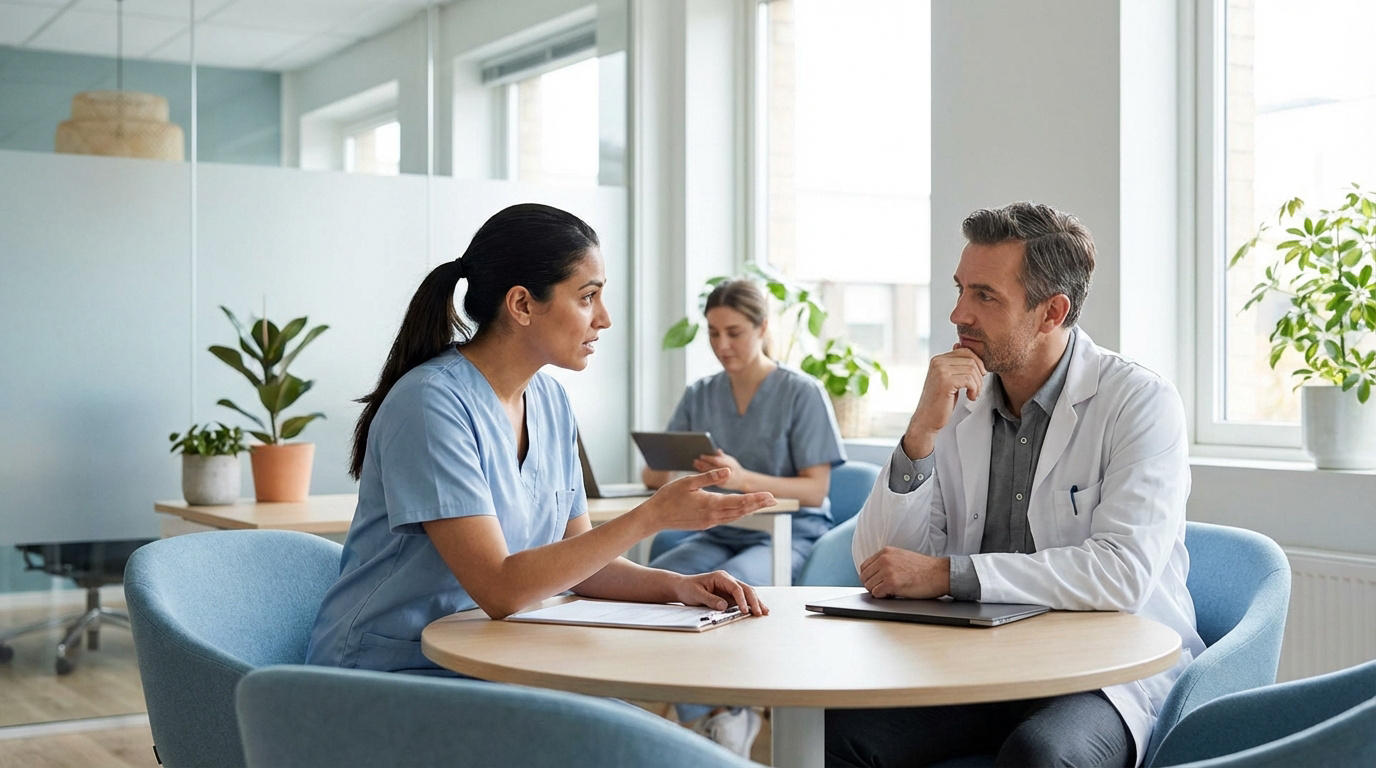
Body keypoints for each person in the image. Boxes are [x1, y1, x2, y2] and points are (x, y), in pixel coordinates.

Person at [306, 203, 775, 680]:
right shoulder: (430, 404)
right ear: (522, 305)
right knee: (610, 717)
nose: (604, 318)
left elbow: (583, 562)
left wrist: (677, 586)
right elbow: (499, 588)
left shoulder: (550, 401)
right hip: (386, 672)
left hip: (489, 659)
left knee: (617, 709)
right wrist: (650, 516)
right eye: (588, 297)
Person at [826, 202, 1205, 768]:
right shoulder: (956, 401)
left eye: (985, 296)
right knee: (834, 735)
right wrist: (920, 433)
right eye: (960, 289)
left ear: (1052, 312)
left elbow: (1120, 573)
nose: (958, 313)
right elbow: (881, 563)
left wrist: (949, 574)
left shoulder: (1139, 402)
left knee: (1040, 756)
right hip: (975, 665)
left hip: (1096, 672)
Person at [642, 278, 846, 750]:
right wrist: (669, 467)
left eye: (733, 332)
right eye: (713, 333)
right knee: (656, 586)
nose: (722, 345)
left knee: (724, 592)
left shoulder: (802, 392)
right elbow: (654, 473)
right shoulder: (701, 393)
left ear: (762, 328)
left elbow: (815, 490)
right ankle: (717, 713)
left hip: (788, 534)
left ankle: (730, 708)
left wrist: (741, 478)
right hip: (721, 531)